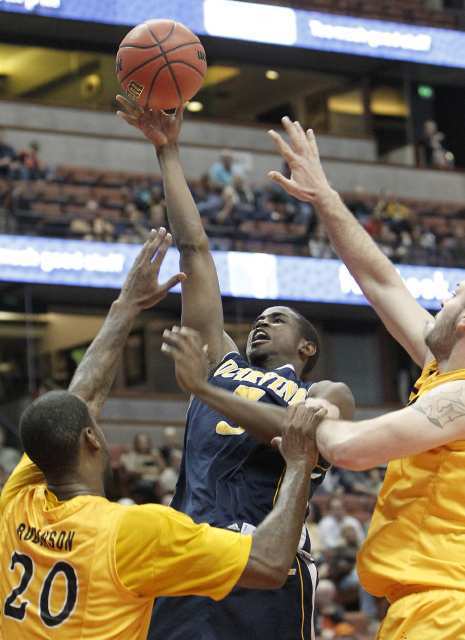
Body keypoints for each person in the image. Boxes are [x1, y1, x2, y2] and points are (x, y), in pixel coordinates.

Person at [0, 229, 320, 640]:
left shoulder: (16, 502)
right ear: (91, 441)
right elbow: (272, 563)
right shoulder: (133, 531)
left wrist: (126, 306)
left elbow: (80, 399)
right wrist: (298, 465)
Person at [116, 97, 355, 640]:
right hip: (191, 555)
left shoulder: (325, 390)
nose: (262, 325)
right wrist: (168, 152)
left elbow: (300, 436)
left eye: (278, 319)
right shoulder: (222, 359)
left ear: (307, 348)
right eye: (259, 319)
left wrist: (206, 390)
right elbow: (195, 252)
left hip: (266, 561)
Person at [264, 115, 465, 639]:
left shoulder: (463, 396)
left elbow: (351, 449)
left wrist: (315, 408)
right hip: (424, 605)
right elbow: (380, 279)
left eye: (453, 296)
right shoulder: (439, 365)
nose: (442, 299)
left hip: (448, 609)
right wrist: (325, 197)